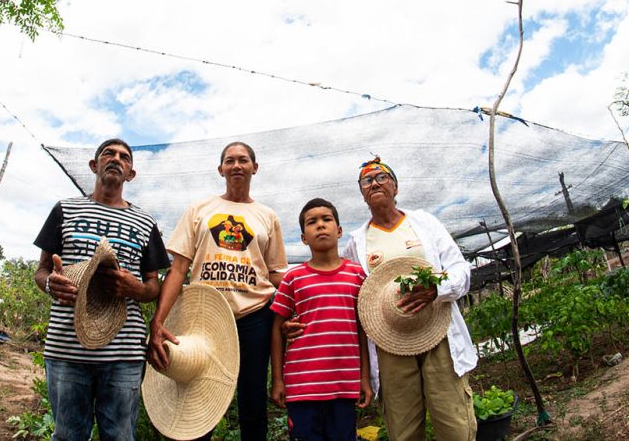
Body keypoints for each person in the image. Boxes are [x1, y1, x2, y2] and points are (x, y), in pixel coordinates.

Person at [149, 141, 289, 441]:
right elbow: (178, 269)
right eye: (230, 161)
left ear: (255, 168)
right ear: (220, 169)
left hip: (255, 316)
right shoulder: (199, 210)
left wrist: (303, 297)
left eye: (243, 160)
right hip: (206, 317)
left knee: (253, 398)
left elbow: (276, 274)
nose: (236, 165)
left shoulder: (267, 216)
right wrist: (158, 321)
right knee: (198, 388)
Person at [34, 138, 170, 441]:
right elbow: (41, 270)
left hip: (124, 352)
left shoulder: (145, 222)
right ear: (94, 165)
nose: (116, 159)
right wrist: (51, 284)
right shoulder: (65, 209)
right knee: (67, 435)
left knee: (120, 436)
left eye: (124, 157)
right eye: (109, 153)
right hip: (66, 347)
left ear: (130, 174)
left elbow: (154, 286)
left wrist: (135, 288)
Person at [343, 157, 478, 441]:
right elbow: (349, 294)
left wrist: (437, 290)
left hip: (438, 332)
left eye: (382, 177)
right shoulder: (356, 243)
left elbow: (460, 269)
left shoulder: (424, 223)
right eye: (367, 181)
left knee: (454, 423)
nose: (374, 183)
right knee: (402, 429)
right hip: (389, 343)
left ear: (396, 187)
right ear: (362, 193)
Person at [270, 198, 373, 441]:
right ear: (303, 238)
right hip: (302, 387)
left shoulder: (357, 276)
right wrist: (277, 380)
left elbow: (362, 329)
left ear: (339, 230)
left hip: (344, 386)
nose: (320, 225)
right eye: (311, 222)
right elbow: (276, 328)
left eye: (327, 219)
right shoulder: (293, 278)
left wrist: (364, 378)